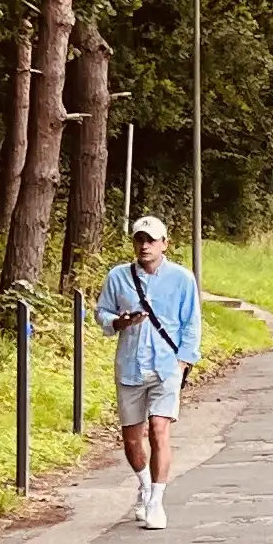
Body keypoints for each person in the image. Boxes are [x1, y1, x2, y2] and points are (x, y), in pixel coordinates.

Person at [96, 216, 202, 527]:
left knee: (159, 429)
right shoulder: (118, 277)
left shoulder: (182, 279)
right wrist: (120, 322)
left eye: (151, 240)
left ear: (164, 244)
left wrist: (184, 362)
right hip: (130, 365)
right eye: (139, 239)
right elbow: (102, 312)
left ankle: (157, 501)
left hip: (166, 366)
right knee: (131, 439)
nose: (145, 245)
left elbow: (191, 324)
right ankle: (143, 486)